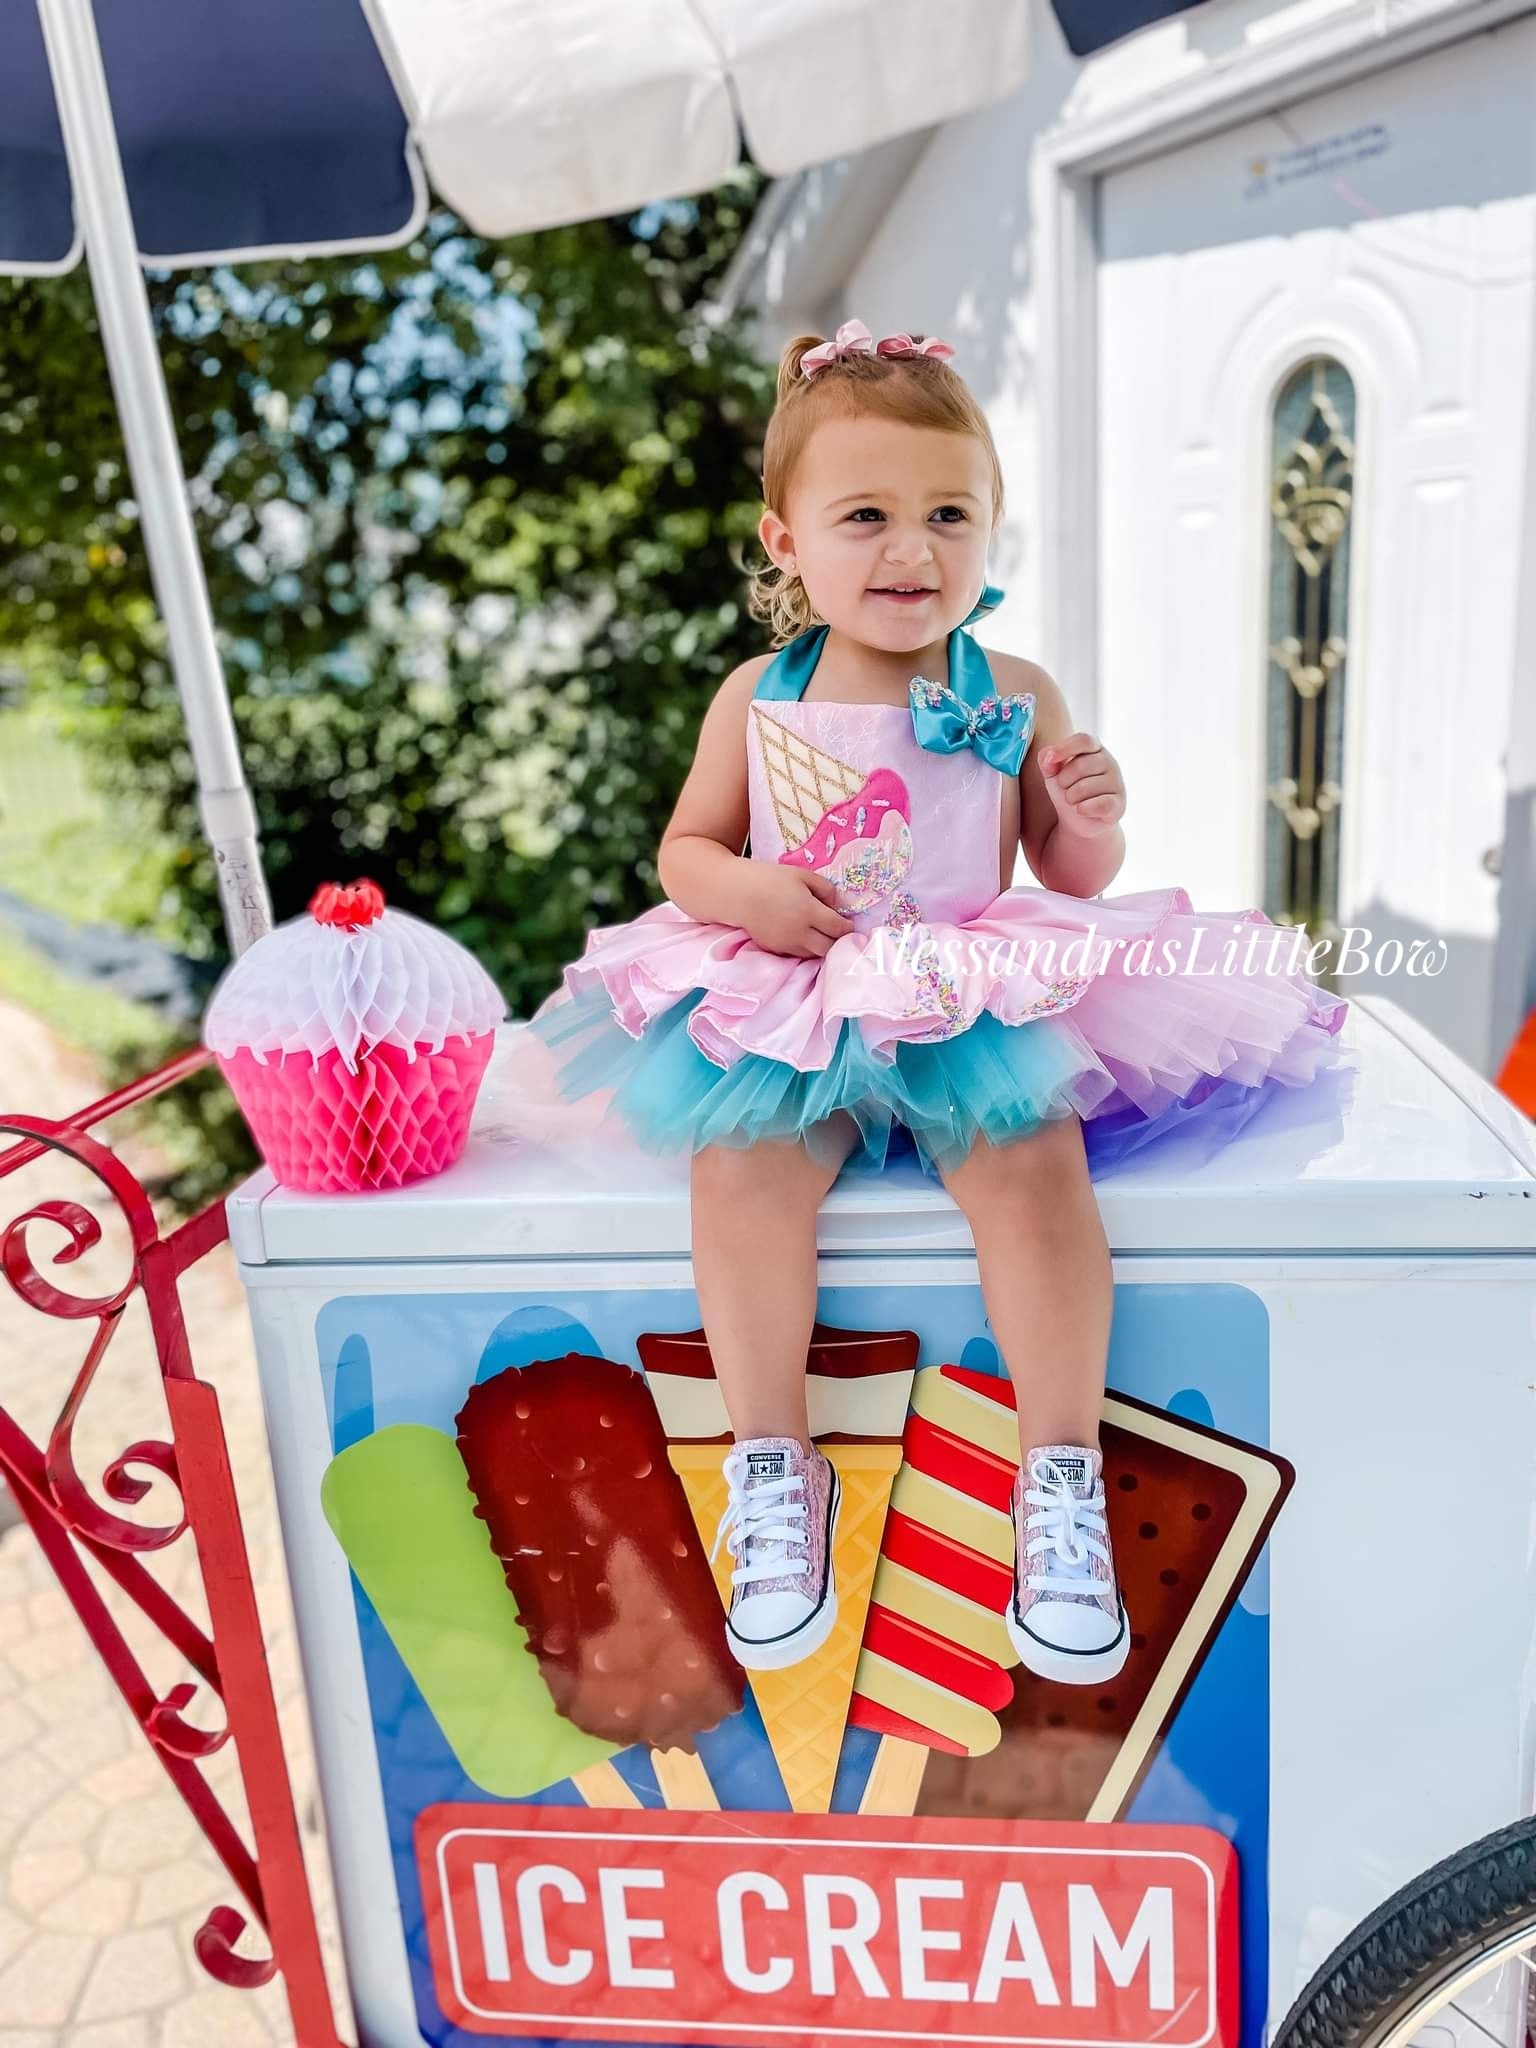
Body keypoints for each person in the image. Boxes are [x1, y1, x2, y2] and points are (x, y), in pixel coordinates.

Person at [525, 318, 1346, 1687]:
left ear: (988, 528)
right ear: (786, 541)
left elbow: (1067, 876)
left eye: (948, 514)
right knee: (742, 1168)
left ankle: (1060, 1473)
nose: (912, 549)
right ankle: (772, 1463)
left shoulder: (1011, 689)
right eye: (867, 515)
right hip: (805, 987)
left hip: (970, 990)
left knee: (1032, 1166)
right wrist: (748, 894)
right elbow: (685, 850)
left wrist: (1091, 819)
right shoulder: (759, 693)